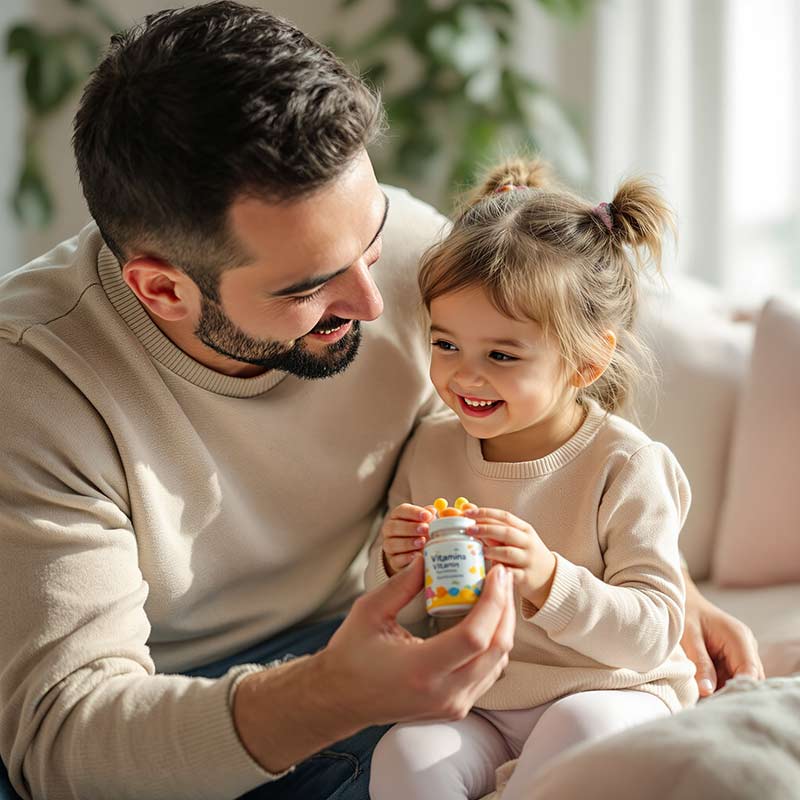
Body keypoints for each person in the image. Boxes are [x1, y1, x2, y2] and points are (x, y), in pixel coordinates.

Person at [0, 3, 762, 800]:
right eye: (309, 286)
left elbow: (556, 419)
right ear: (163, 290)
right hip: (175, 702)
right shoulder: (38, 379)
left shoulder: (405, 256)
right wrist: (331, 693)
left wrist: (666, 589)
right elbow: (63, 740)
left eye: (372, 243)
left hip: (361, 643)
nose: (376, 301)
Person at [367, 160, 700, 800]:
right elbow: (418, 621)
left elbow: (655, 629)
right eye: (445, 344)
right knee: (406, 753)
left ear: (586, 361)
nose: (465, 375)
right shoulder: (431, 448)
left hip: (612, 691)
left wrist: (550, 578)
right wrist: (395, 567)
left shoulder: (627, 464)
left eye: (501, 354)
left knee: (578, 727)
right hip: (485, 699)